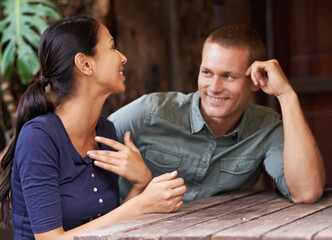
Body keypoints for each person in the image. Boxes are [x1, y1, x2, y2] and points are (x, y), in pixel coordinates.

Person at [0, 15, 186, 240]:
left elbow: (109, 227)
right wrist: (142, 205)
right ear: (85, 64)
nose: (123, 57)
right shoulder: (39, 138)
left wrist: (141, 182)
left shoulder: (105, 131)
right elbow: (50, 239)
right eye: (112, 47)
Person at [104, 24, 325, 204]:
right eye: (207, 73)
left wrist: (286, 95)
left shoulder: (265, 127)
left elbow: (306, 192)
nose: (214, 87)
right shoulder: (150, 112)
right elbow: (82, 151)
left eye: (228, 77)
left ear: (256, 81)